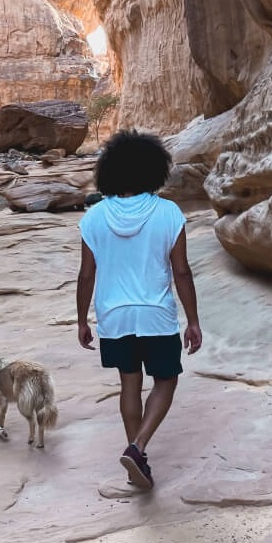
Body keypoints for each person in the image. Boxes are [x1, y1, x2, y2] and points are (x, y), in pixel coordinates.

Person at [76, 129, 202, 489]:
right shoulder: (167, 212)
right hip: (156, 314)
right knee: (166, 381)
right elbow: (181, 270)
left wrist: (82, 320)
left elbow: (87, 275)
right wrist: (192, 320)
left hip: (114, 317)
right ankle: (138, 447)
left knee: (129, 383)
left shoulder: (95, 217)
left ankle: (138, 461)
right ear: (153, 169)